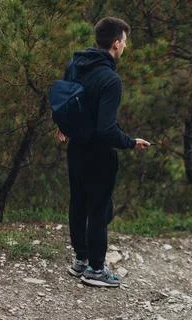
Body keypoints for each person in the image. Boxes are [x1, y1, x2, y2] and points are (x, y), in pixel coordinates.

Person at [57, 17, 150, 287]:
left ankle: (80, 262)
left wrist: (62, 126)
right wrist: (131, 142)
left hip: (76, 148)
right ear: (116, 43)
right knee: (99, 208)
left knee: (78, 203)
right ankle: (96, 270)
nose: (125, 47)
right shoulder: (110, 79)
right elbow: (106, 128)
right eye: (125, 42)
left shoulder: (74, 64)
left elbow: (64, 100)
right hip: (99, 153)